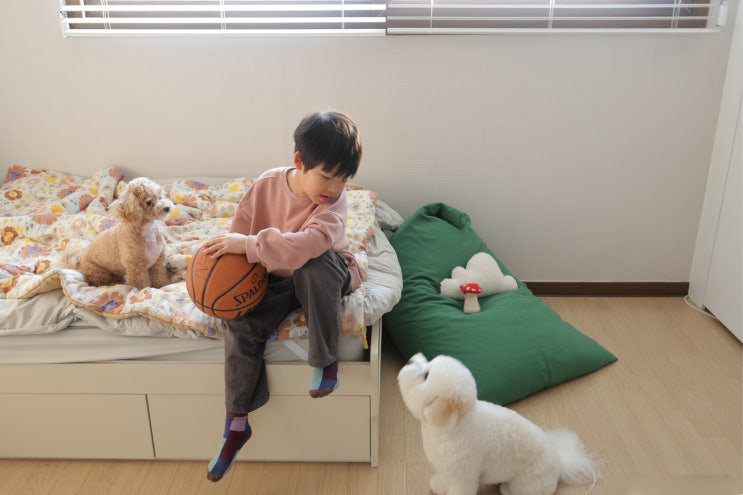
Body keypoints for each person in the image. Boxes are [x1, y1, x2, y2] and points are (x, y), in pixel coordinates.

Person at [201, 110, 364, 482]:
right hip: (276, 276)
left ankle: (325, 360)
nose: (334, 187)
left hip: (328, 271)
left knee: (314, 265)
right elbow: (239, 239)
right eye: (327, 175)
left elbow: (308, 245)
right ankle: (236, 423)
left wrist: (249, 245)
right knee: (240, 323)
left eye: (344, 179)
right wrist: (238, 259)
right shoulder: (265, 185)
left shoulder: (334, 203)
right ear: (299, 161)